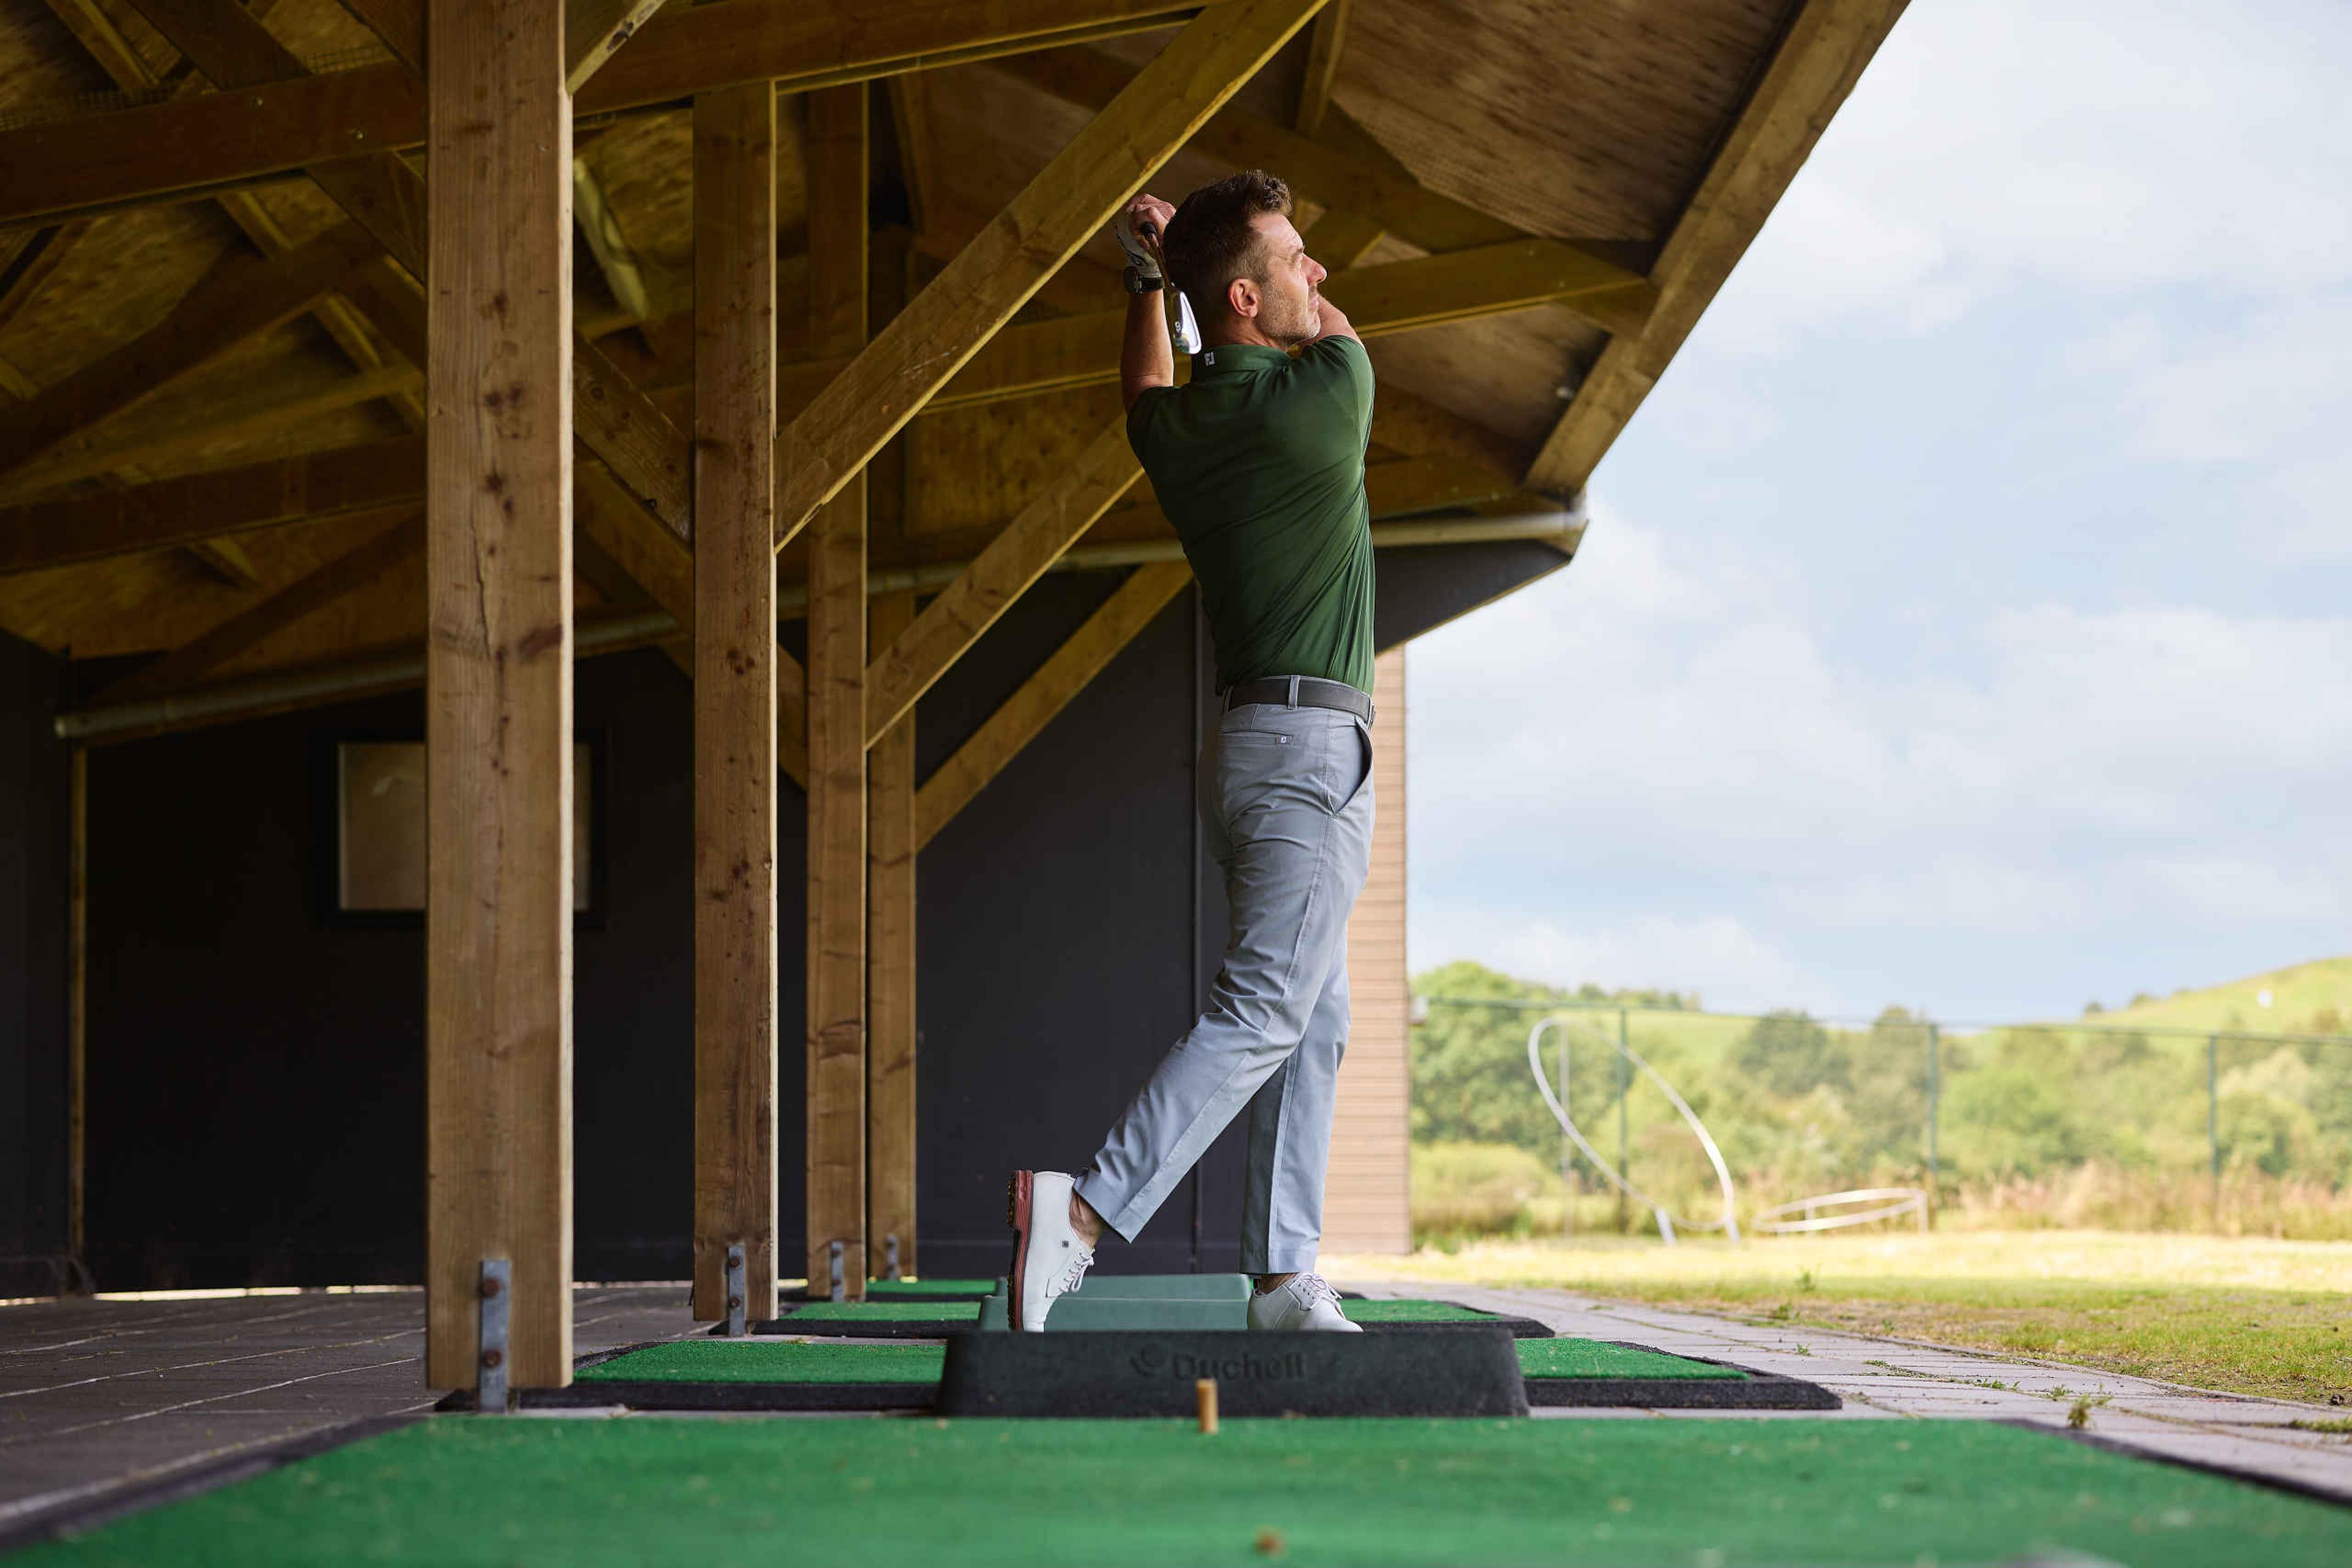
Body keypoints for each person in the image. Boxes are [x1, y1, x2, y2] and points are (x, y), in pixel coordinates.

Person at [1006, 171, 1376, 1333]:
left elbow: (1146, 382)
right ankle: (1084, 1216)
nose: (1316, 274)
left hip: (1251, 753)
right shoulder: (1331, 391)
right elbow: (1338, 332)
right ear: (1246, 301)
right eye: (1295, 260)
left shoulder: (1181, 432)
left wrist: (1143, 276)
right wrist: (1167, 269)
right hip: (1314, 753)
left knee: (1314, 1016)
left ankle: (1278, 1279)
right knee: (1270, 1006)